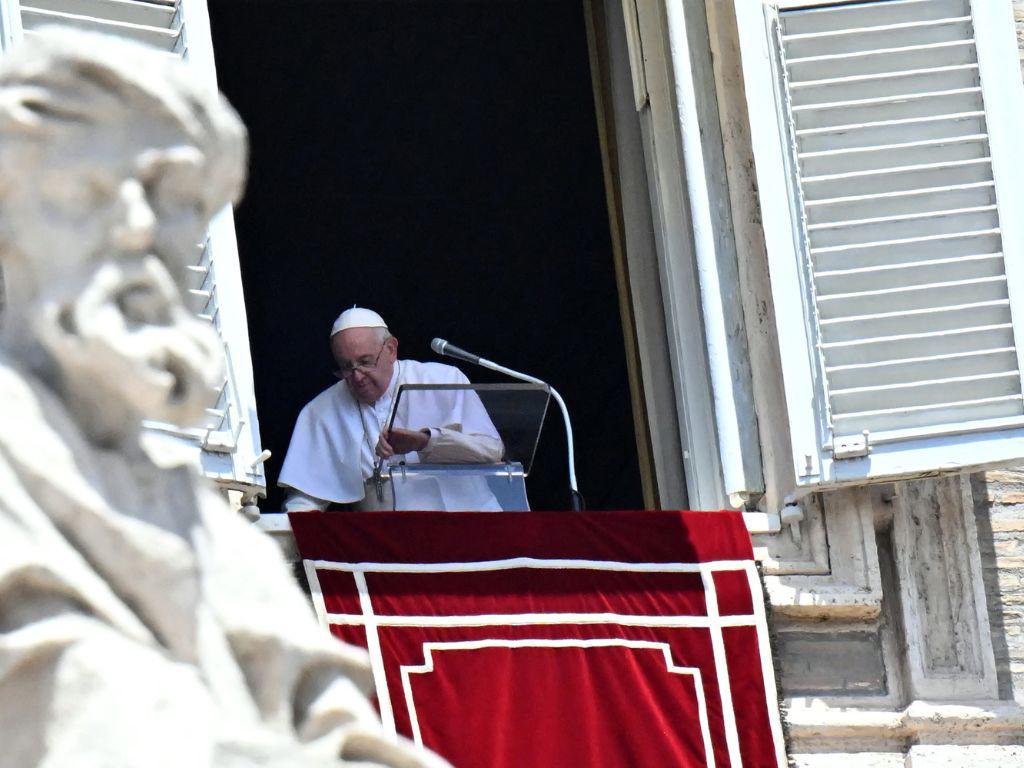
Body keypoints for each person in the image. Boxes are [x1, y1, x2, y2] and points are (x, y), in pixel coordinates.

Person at [0, 30, 444, 768]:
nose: (139, 228)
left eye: (169, 197)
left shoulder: (200, 523)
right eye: (87, 192)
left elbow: (333, 719)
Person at [279, 307, 504, 511]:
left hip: (468, 525)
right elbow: (305, 498)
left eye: (366, 362)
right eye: (346, 367)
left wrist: (425, 441)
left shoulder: (443, 380)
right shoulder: (321, 411)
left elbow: (491, 450)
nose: (357, 377)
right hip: (388, 545)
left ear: (391, 349)